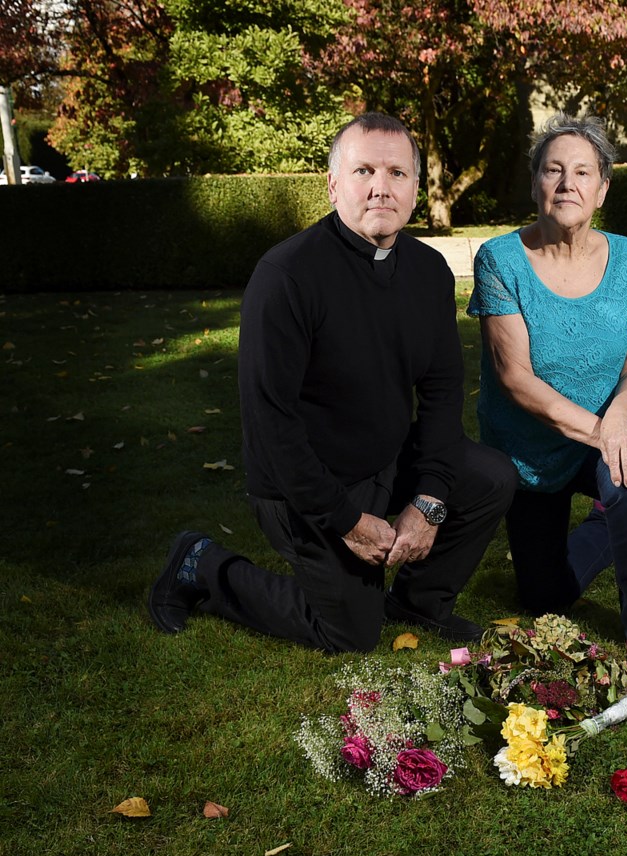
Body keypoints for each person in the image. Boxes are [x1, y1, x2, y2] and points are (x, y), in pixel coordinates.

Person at [148, 112, 516, 653]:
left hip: (385, 455)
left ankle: (420, 598)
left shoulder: (429, 271)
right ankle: (200, 562)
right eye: (363, 170)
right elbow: (271, 423)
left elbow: (439, 393)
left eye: (396, 173)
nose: (379, 187)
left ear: (416, 187)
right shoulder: (287, 275)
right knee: (350, 631)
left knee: (490, 476)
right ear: (333, 183)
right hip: (304, 481)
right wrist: (344, 519)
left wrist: (430, 498)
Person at [466, 114, 627, 687]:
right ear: (534, 183)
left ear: (603, 188)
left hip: (609, 430)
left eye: (583, 172)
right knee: (544, 599)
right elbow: (515, 379)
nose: (567, 183)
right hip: (529, 447)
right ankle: (604, 526)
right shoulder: (499, 259)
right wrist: (608, 431)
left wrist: (622, 422)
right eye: (553, 170)